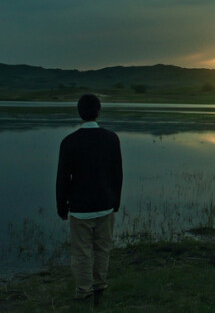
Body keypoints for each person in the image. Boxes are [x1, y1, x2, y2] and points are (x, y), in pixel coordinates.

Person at [56, 94, 123, 306]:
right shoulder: (111, 138)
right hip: (105, 204)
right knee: (103, 248)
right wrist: (116, 202)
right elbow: (117, 174)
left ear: (79, 113)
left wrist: (62, 207)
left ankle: (83, 290)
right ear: (98, 111)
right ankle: (99, 285)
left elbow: (62, 179)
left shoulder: (69, 142)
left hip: (80, 207)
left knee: (81, 251)